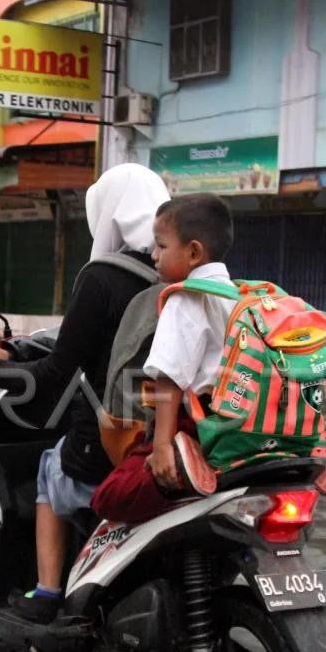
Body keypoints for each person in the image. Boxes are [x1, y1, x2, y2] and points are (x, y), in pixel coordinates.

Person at [0, 164, 171, 623]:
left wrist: (2, 367)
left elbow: (59, 372)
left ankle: (46, 594)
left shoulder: (102, 277)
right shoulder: (181, 270)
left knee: (50, 469)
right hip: (176, 434)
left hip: (114, 436)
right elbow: (75, 338)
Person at [91, 193, 235, 524]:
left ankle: (184, 477)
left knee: (107, 497)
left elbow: (168, 379)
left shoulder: (184, 299)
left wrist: (161, 449)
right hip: (227, 425)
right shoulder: (239, 297)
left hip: (190, 426)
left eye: (161, 246)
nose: (154, 255)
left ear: (194, 252)